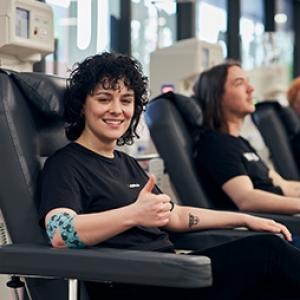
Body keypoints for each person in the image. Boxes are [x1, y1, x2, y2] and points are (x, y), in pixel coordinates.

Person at [39, 53, 300, 300]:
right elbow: (60, 233)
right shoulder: (65, 164)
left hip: (167, 270)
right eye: (104, 99)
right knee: (267, 252)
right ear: (83, 105)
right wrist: (133, 214)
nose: (117, 110)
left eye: (126, 100)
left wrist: (245, 219)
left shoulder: (125, 162)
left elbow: (175, 215)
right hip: (134, 283)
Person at [193, 61, 300, 215]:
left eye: (248, 82)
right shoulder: (215, 145)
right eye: (239, 83)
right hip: (269, 230)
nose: (251, 89)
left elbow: (285, 186)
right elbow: (247, 199)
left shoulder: (241, 143)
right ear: (218, 95)